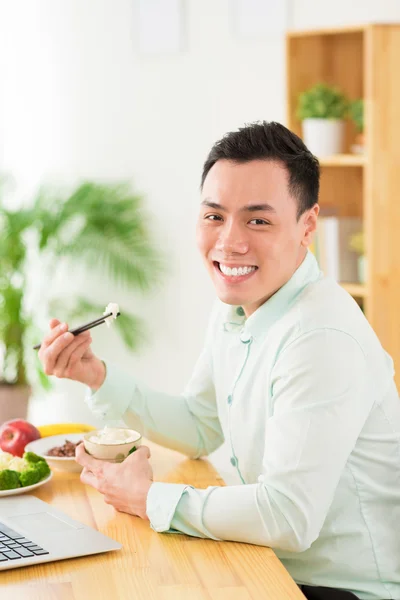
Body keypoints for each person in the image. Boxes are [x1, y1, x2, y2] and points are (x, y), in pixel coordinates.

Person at [38, 122, 400, 600]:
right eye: (214, 216)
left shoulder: (321, 336)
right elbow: (200, 424)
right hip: (268, 564)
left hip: (339, 589)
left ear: (307, 226)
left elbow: (289, 516)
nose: (229, 242)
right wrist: (96, 376)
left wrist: (149, 498)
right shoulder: (239, 306)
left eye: (258, 220)